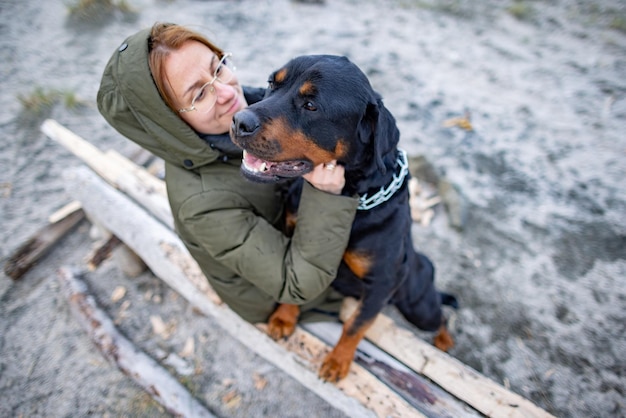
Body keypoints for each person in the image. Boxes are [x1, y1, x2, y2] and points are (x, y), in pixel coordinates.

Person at [97, 22, 358, 324]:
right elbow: (296, 283)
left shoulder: (245, 114)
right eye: (198, 95)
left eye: (218, 66)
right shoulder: (203, 204)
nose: (226, 91)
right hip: (274, 294)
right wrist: (324, 195)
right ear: (169, 124)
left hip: (286, 231)